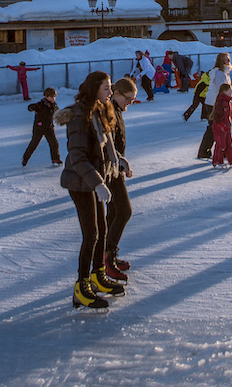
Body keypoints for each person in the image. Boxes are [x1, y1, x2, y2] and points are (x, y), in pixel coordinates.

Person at [56, 71, 126, 309]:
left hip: (95, 180)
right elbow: (77, 156)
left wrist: (119, 160)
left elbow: (105, 145)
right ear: (95, 88)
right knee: (91, 235)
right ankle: (81, 286)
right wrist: (97, 183)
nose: (110, 92)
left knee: (103, 229)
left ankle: (98, 276)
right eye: (107, 88)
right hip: (80, 183)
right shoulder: (79, 116)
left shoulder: (100, 110)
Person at [104, 77, 137, 280]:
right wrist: (118, 160)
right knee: (124, 211)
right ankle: (107, 257)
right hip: (110, 169)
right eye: (128, 99)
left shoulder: (116, 109)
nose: (130, 103)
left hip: (115, 167)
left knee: (114, 213)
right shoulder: (109, 111)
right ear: (116, 94)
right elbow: (107, 141)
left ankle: (106, 255)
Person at [198, 53, 232, 158]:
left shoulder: (223, 72)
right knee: (215, 128)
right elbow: (221, 89)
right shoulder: (219, 73)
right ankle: (206, 151)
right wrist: (225, 102)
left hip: (215, 102)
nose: (229, 61)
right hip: (215, 103)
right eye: (227, 59)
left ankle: (220, 150)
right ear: (222, 61)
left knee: (221, 127)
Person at [22, 87, 62, 167]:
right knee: (34, 144)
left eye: (54, 97)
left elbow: (58, 113)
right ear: (46, 97)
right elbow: (30, 107)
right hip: (39, 128)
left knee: (54, 143)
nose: (53, 98)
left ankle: (55, 159)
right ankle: (25, 158)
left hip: (49, 128)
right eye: (51, 97)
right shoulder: (41, 104)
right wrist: (32, 107)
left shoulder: (54, 106)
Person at [210, 82, 232, 168]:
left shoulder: (228, 101)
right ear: (224, 91)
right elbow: (217, 115)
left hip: (226, 126)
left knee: (229, 143)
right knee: (221, 144)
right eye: (229, 91)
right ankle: (217, 161)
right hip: (220, 127)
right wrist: (221, 125)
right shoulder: (221, 101)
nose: (231, 92)